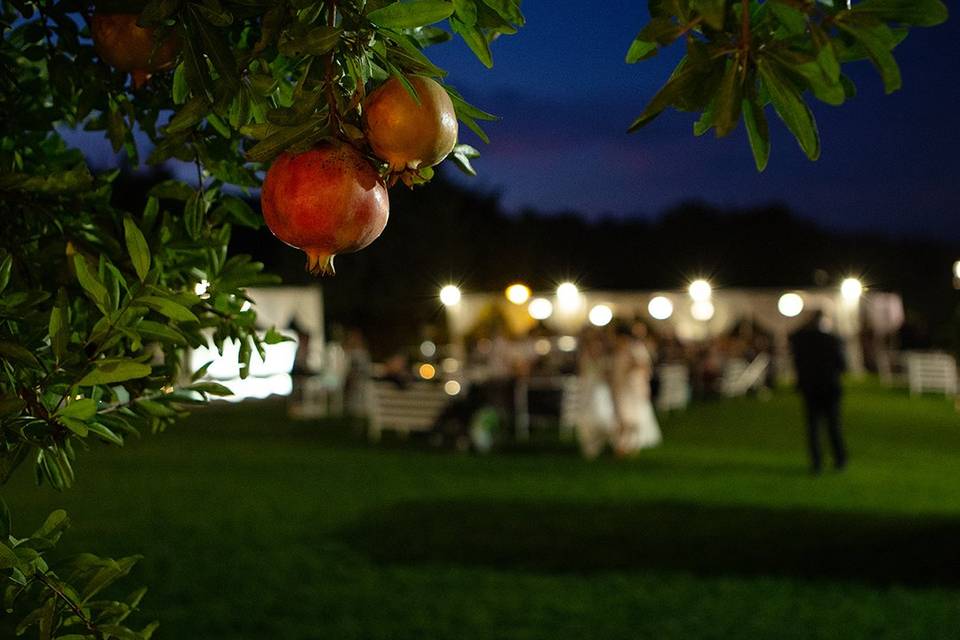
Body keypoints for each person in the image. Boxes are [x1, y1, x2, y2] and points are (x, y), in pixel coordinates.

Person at [789, 310, 848, 473]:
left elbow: (796, 360)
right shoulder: (832, 340)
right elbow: (842, 365)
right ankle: (840, 459)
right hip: (830, 386)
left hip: (810, 387)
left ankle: (816, 462)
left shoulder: (801, 341)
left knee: (813, 427)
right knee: (833, 425)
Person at [611, 323, 662, 456]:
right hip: (623, 388)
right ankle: (624, 445)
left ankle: (627, 445)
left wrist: (631, 368)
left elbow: (645, 367)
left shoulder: (635, 349)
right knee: (624, 417)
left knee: (629, 417)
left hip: (632, 388)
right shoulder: (618, 350)